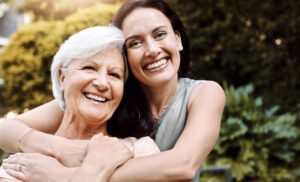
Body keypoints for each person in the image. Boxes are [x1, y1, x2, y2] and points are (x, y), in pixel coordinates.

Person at [0, 0, 225, 181]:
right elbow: (5, 129)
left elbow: (182, 165)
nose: (152, 49)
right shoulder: (109, 97)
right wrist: (63, 148)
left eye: (160, 34)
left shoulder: (203, 94)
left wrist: (66, 175)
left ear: (178, 39)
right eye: (135, 43)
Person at [0, 25, 160, 182]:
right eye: (89, 67)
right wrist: (95, 168)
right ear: (63, 78)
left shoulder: (140, 151)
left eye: (114, 75)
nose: (102, 83)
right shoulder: (23, 165)